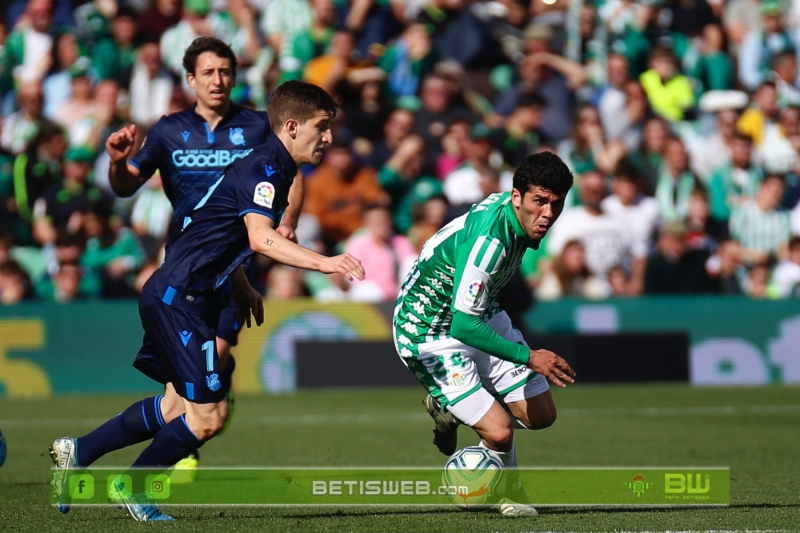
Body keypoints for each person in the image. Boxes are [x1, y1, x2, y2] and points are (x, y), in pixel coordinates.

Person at [49, 80, 365, 522]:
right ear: (292, 126)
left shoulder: (270, 166)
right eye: (322, 126)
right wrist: (324, 261)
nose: (329, 138)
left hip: (183, 294)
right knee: (209, 417)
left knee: (175, 407)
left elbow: (217, 235)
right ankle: (133, 485)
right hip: (180, 300)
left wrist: (243, 286)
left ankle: (79, 451)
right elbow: (261, 238)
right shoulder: (266, 169)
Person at [393, 151, 575, 517]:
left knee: (540, 415)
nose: (548, 214)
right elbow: (461, 326)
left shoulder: (513, 216)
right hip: (429, 331)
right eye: (540, 201)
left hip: (479, 312)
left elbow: (470, 311)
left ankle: (456, 406)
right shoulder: (491, 244)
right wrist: (530, 357)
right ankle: (510, 492)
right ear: (516, 197)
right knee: (500, 432)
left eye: (556, 204)